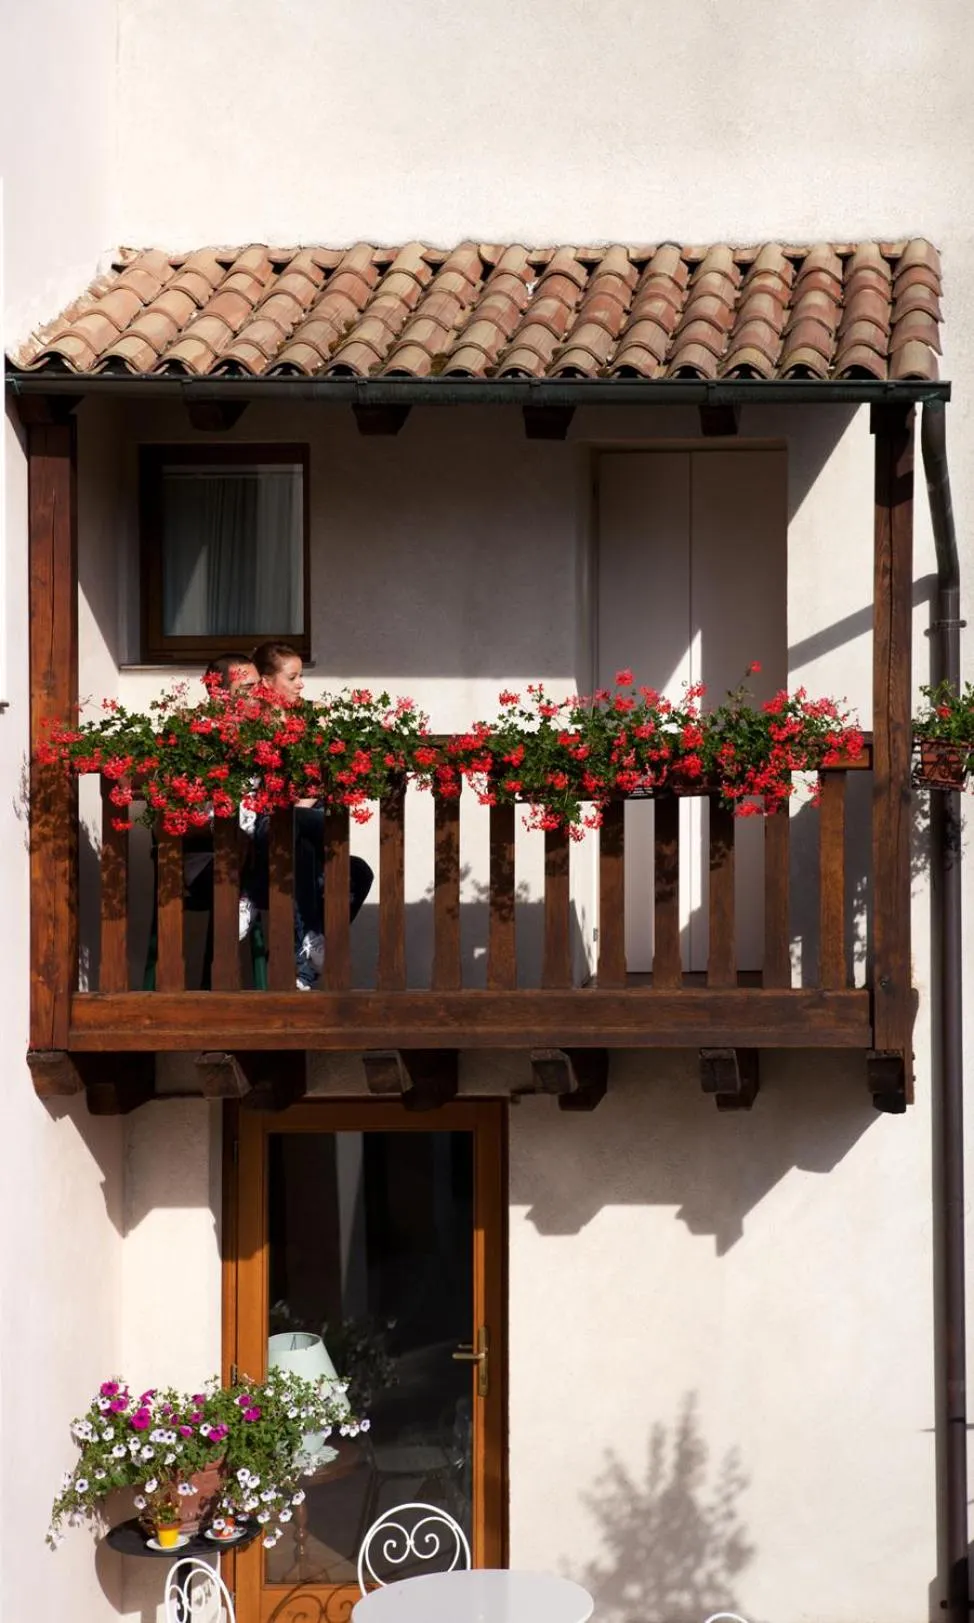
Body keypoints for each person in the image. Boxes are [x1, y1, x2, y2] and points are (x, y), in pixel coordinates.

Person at [250, 642, 374, 989]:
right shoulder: (252, 722)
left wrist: (307, 799)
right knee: (295, 832)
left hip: (303, 831)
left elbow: (331, 769)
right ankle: (307, 957)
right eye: (293, 677)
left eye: (301, 676)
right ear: (266, 682)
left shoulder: (312, 715)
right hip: (268, 836)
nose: (301, 684)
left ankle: (306, 958)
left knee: (358, 872)